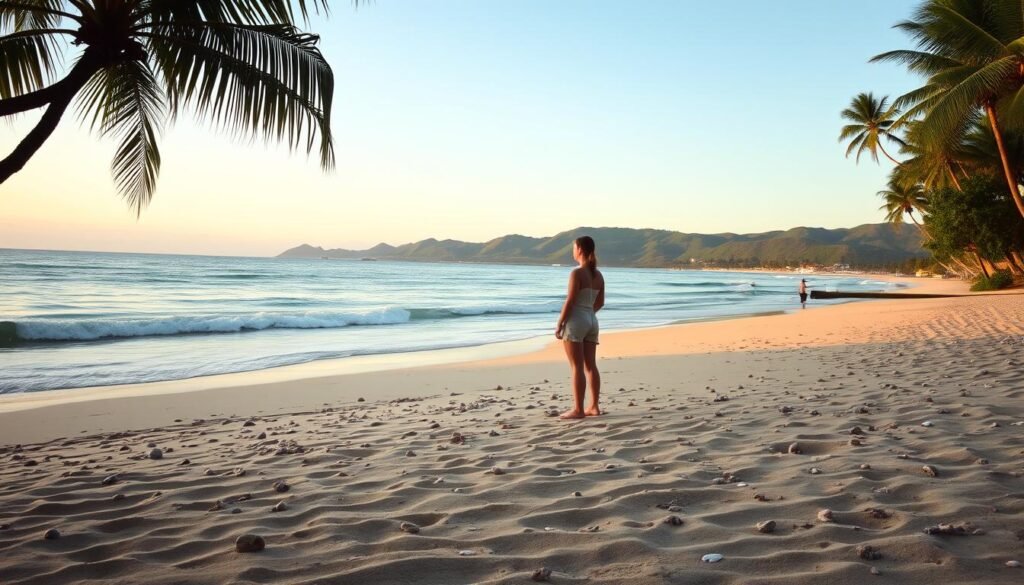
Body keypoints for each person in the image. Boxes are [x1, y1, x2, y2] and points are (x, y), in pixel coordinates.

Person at [555, 236, 605, 419]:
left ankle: (578, 409)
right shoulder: (598, 275)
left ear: (580, 250)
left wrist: (560, 323)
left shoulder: (577, 273)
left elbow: (570, 301)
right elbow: (601, 302)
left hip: (576, 320)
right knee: (590, 366)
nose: (572, 251)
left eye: (573, 247)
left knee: (576, 366)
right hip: (592, 320)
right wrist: (588, 314)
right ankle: (594, 406)